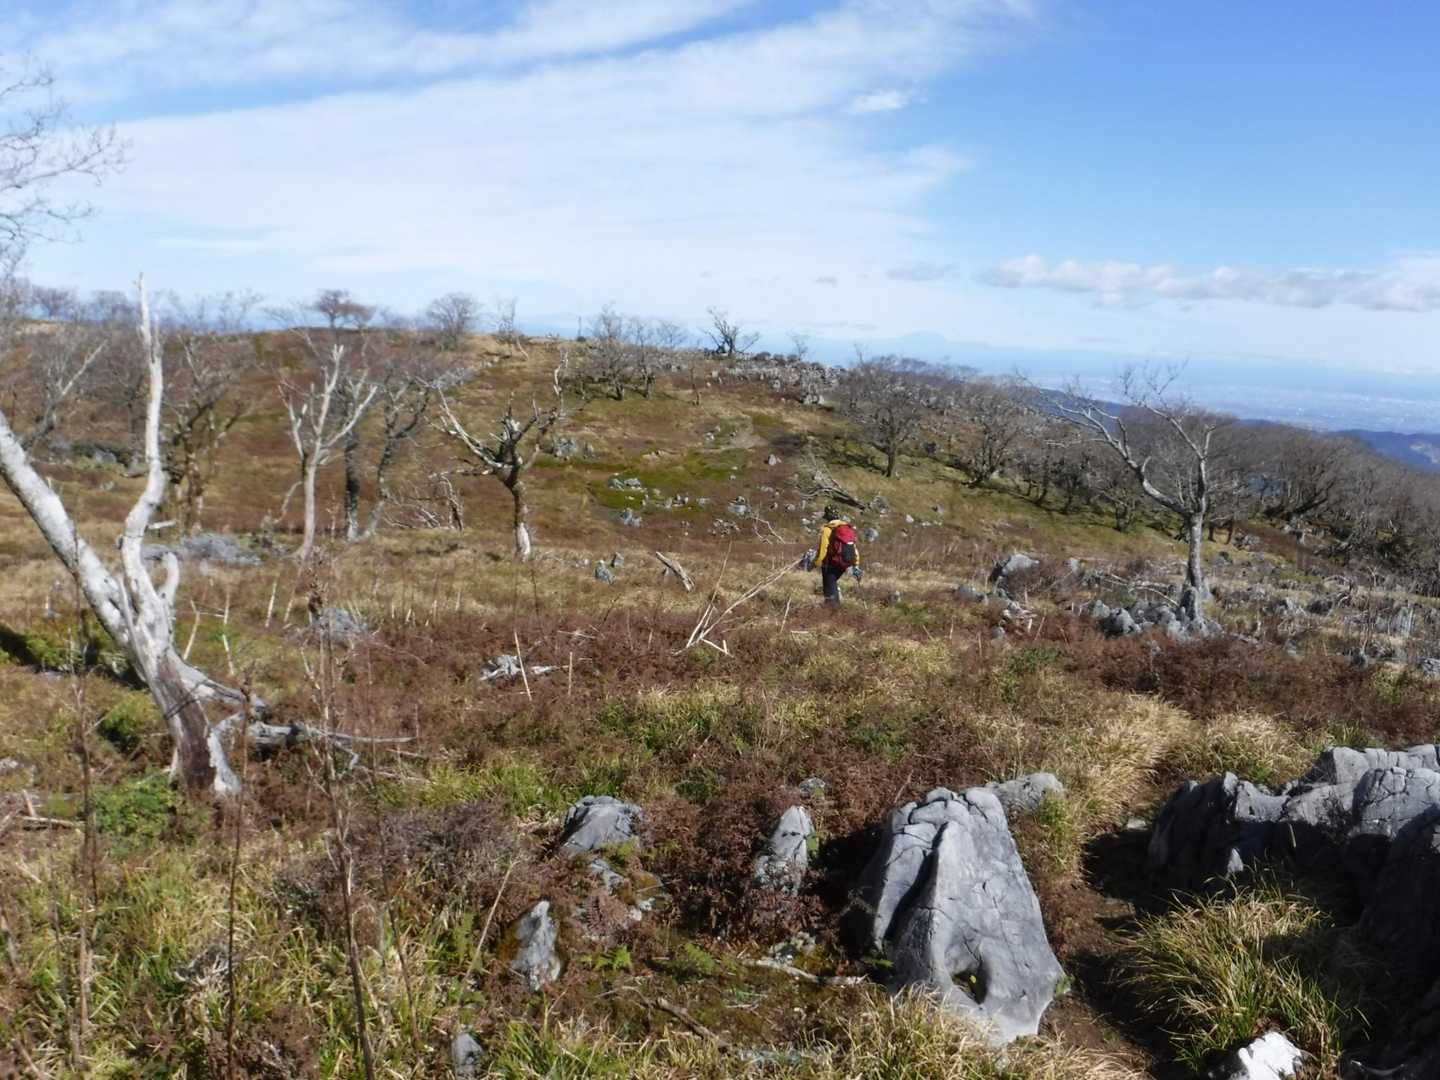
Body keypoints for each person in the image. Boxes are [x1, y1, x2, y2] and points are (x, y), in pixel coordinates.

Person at [811, 504, 862, 605]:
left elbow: (823, 549)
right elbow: (853, 547)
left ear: (827, 517)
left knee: (829, 588)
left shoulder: (827, 529)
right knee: (833, 585)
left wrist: (816, 562)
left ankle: (832, 610)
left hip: (831, 563)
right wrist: (856, 564)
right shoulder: (847, 528)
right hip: (844, 563)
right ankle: (835, 607)